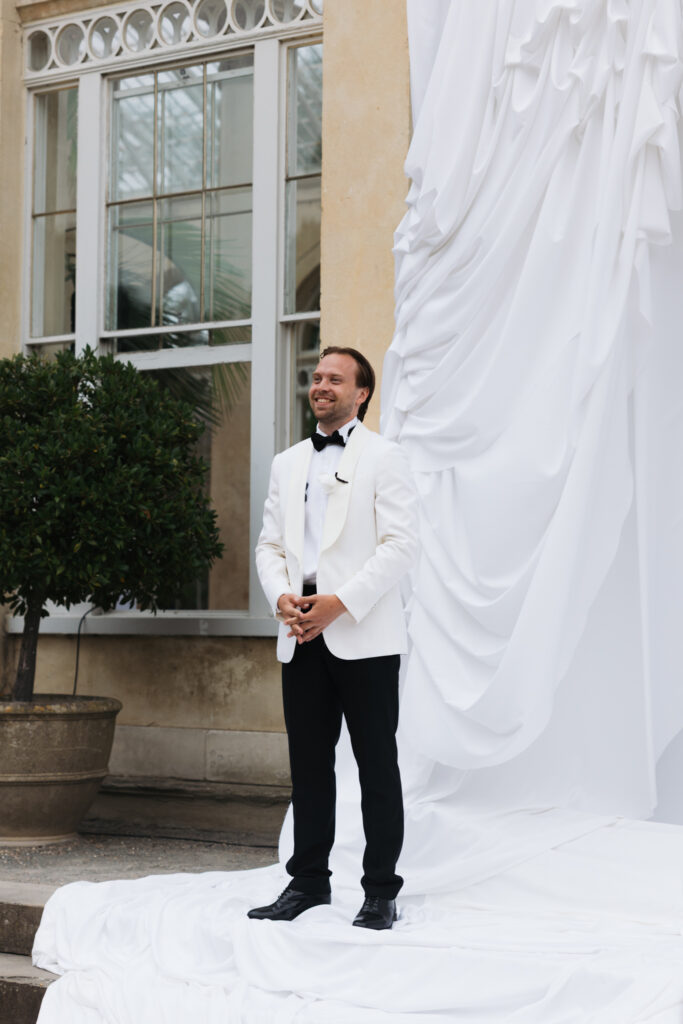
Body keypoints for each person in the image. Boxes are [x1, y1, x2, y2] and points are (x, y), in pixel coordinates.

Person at [249, 346, 419, 930]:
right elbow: (270, 545)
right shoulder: (287, 462)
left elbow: (400, 545)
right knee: (309, 766)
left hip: (364, 634)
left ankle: (380, 891)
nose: (321, 385)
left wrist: (338, 604)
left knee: (376, 765)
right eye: (317, 377)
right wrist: (282, 599)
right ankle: (308, 883)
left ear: (362, 392)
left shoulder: (386, 457)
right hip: (299, 631)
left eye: (335, 379)